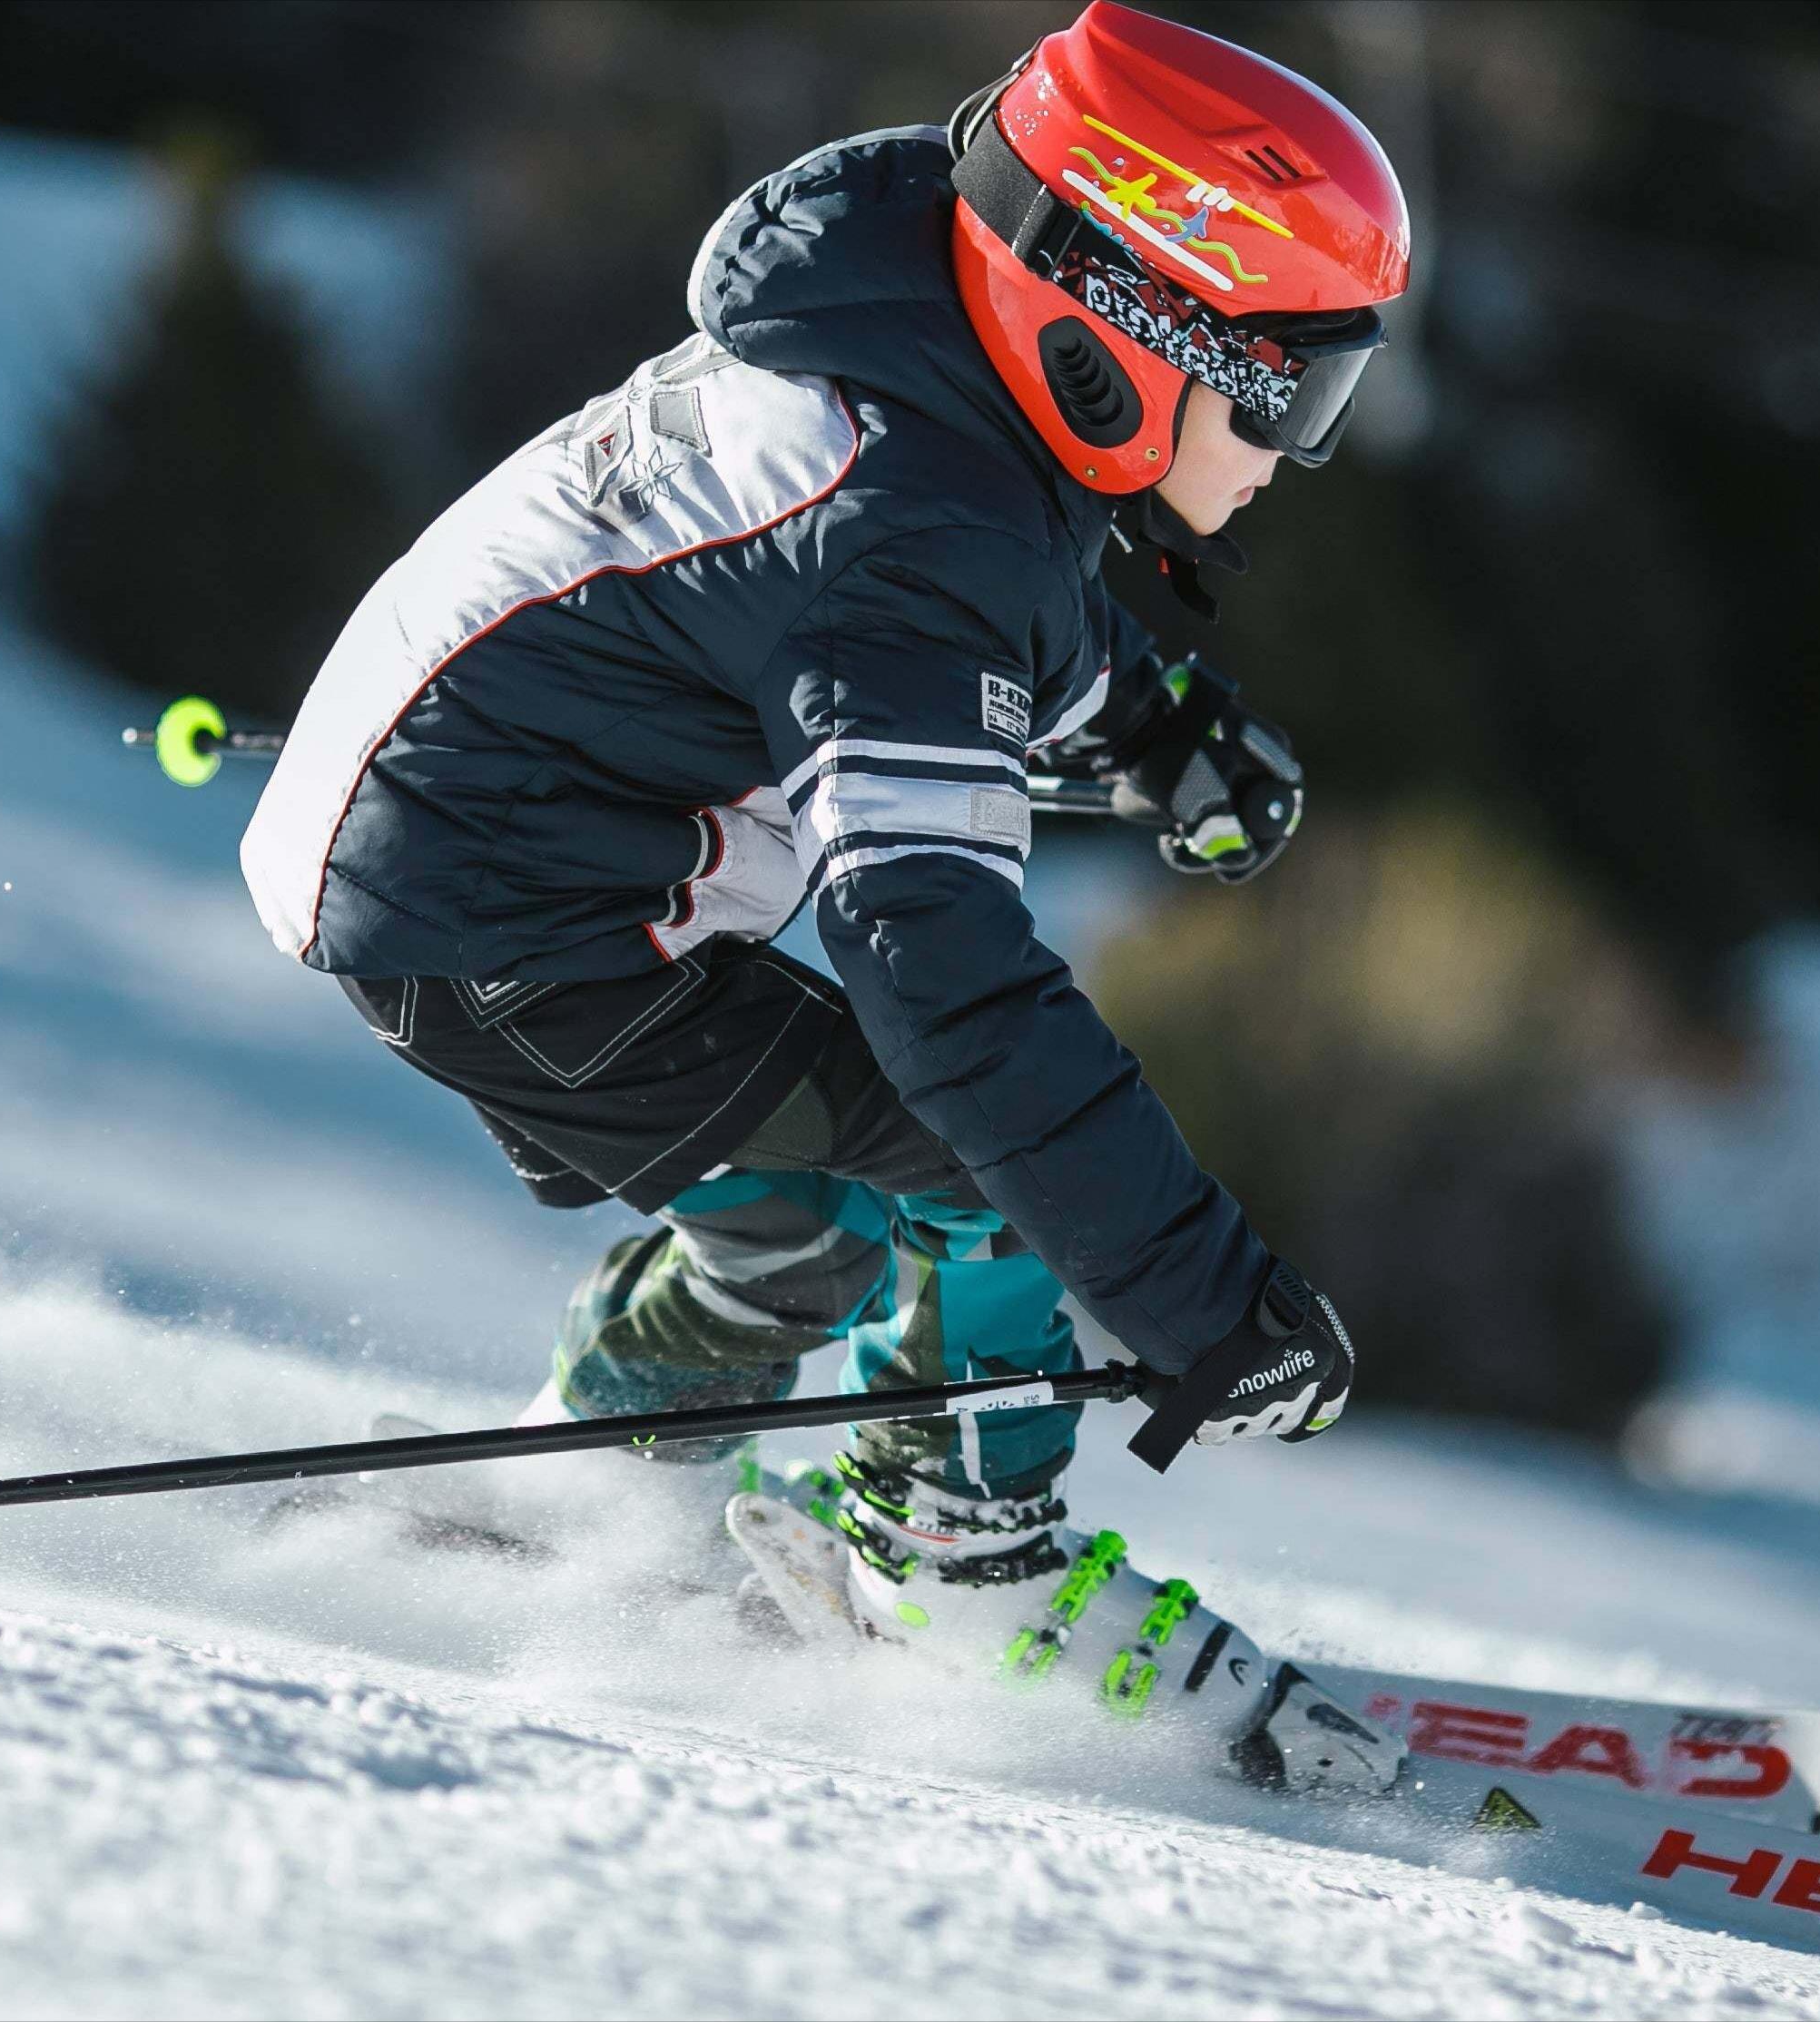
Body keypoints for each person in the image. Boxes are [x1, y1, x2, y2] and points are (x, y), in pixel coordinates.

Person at [241, 2, 1410, 1630]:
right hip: (502, 912)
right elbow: (934, 966)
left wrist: (1157, 723)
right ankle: (958, 1562)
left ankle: (585, 1486)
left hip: (463, 859)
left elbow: (985, 593)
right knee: (981, 1176)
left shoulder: (919, 368)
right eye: (1291, 397)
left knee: (807, 1234)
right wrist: (1201, 1302)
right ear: (1142, 339)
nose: (1297, 456)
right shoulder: (910, 529)